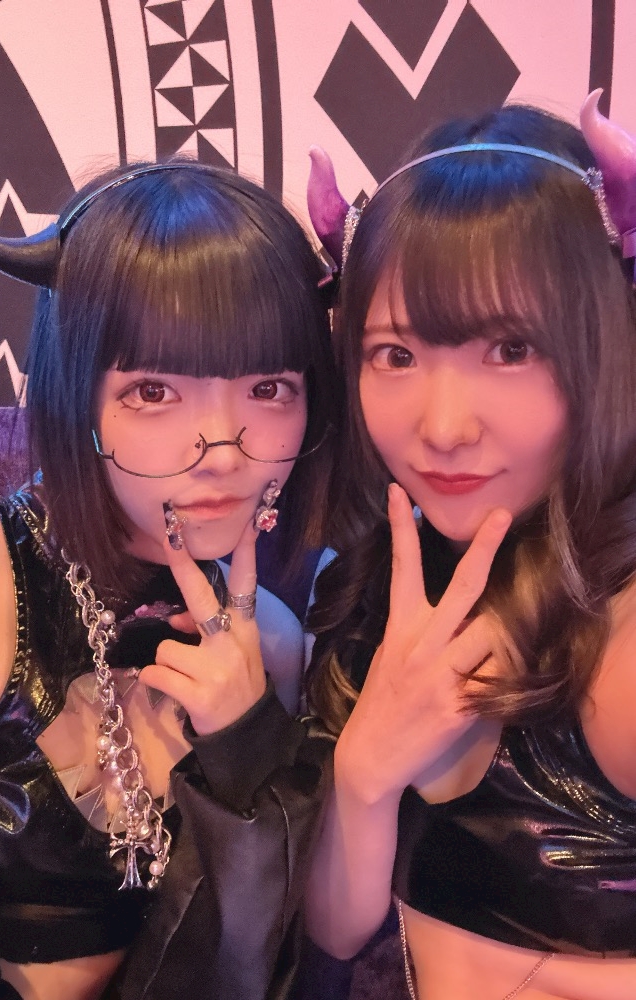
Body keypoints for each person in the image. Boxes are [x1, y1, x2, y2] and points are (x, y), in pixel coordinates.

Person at [0, 159, 338, 1000]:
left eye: (269, 387)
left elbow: (242, 974)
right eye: (154, 390)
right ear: (74, 395)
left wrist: (247, 750)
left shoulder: (270, 638)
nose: (225, 449)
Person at [303, 90, 636, 1000]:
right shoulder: (374, 577)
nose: (443, 428)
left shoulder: (620, 630)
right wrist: (365, 775)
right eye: (396, 355)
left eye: (511, 349)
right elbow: (336, 928)